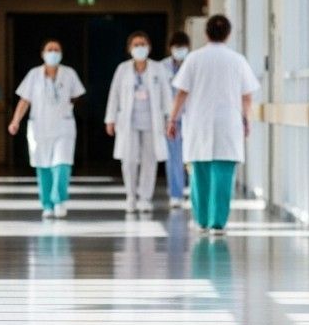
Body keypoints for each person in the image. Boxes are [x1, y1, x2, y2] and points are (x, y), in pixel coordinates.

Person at [167, 15, 259, 235]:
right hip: (228, 122)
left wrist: (172, 119)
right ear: (228, 34)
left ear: (206, 33)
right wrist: (247, 119)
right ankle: (218, 223)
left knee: (200, 173)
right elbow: (247, 96)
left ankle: (202, 221)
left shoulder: (194, 59)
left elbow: (181, 93)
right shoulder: (237, 60)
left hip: (199, 121)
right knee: (223, 174)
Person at [8, 40, 85, 219]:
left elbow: (76, 96)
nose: (53, 52)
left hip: (63, 127)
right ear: (43, 53)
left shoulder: (69, 74)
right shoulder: (34, 75)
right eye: (50, 49)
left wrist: (66, 107)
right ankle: (47, 204)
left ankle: (59, 200)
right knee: (43, 166)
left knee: (62, 164)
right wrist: (15, 121)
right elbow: (24, 100)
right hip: (39, 127)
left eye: (56, 49)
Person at [104, 31, 173, 214]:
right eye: (136, 45)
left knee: (149, 160)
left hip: (152, 121)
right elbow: (114, 95)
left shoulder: (158, 69)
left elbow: (167, 95)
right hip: (129, 122)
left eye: (143, 44)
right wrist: (110, 119)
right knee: (129, 160)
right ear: (129, 49)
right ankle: (131, 195)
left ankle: (145, 198)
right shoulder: (123, 69)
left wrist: (169, 118)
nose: (140, 48)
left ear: (149, 47)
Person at [160, 31, 191, 208]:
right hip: (171, 117)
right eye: (176, 47)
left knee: (192, 156)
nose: (180, 50)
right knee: (173, 157)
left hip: (189, 116)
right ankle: (176, 193)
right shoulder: (162, 67)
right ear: (170, 48)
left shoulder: (192, 65)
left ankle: (192, 191)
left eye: (183, 47)